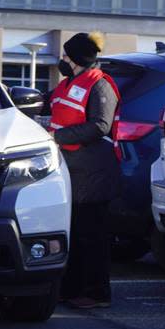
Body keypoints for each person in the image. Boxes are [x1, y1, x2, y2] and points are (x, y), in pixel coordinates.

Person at [47, 32, 122, 309]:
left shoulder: (100, 86)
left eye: (66, 55)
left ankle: (97, 292)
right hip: (74, 172)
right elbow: (47, 103)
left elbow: (100, 126)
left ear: (78, 58)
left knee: (93, 235)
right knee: (76, 233)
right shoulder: (68, 84)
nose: (62, 60)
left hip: (94, 173)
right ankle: (72, 288)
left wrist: (58, 137)